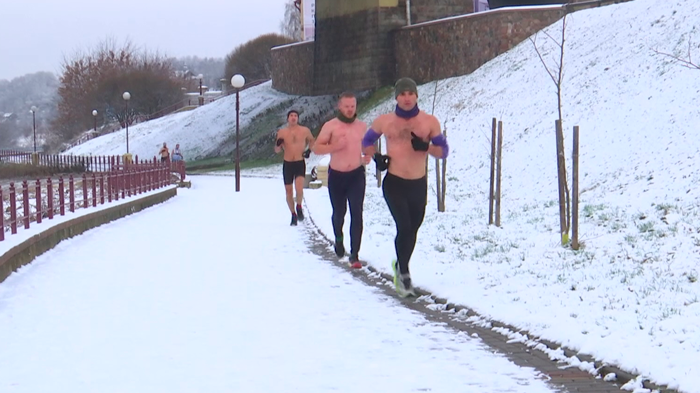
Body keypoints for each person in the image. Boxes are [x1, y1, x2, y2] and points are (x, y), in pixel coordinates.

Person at [361, 77, 450, 297]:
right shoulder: (385, 121)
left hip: (418, 184)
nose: (407, 98)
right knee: (404, 227)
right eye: (402, 94)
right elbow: (366, 142)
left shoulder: (429, 122)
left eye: (410, 93)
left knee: (413, 229)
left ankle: (400, 266)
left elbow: (444, 151)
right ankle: (404, 275)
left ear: (417, 96)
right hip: (394, 182)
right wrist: (377, 158)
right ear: (396, 97)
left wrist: (426, 147)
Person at [313, 92, 371, 269]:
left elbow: (367, 145)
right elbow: (316, 148)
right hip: (337, 176)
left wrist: (367, 155)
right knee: (339, 214)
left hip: (356, 175)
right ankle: (338, 239)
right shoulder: (331, 126)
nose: (350, 109)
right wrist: (334, 146)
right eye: (346, 106)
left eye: (352, 106)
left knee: (357, 213)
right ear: (340, 106)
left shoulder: (361, 126)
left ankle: (354, 255)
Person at [275, 109, 315, 226]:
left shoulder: (304, 130)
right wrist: (278, 144)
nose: (293, 117)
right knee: (288, 191)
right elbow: (277, 150)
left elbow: (312, 141)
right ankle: (293, 214)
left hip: (299, 162)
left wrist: (309, 151)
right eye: (291, 116)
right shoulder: (282, 132)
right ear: (288, 118)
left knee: (299, 188)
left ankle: (299, 206)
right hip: (288, 164)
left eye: (295, 116)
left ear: (298, 118)